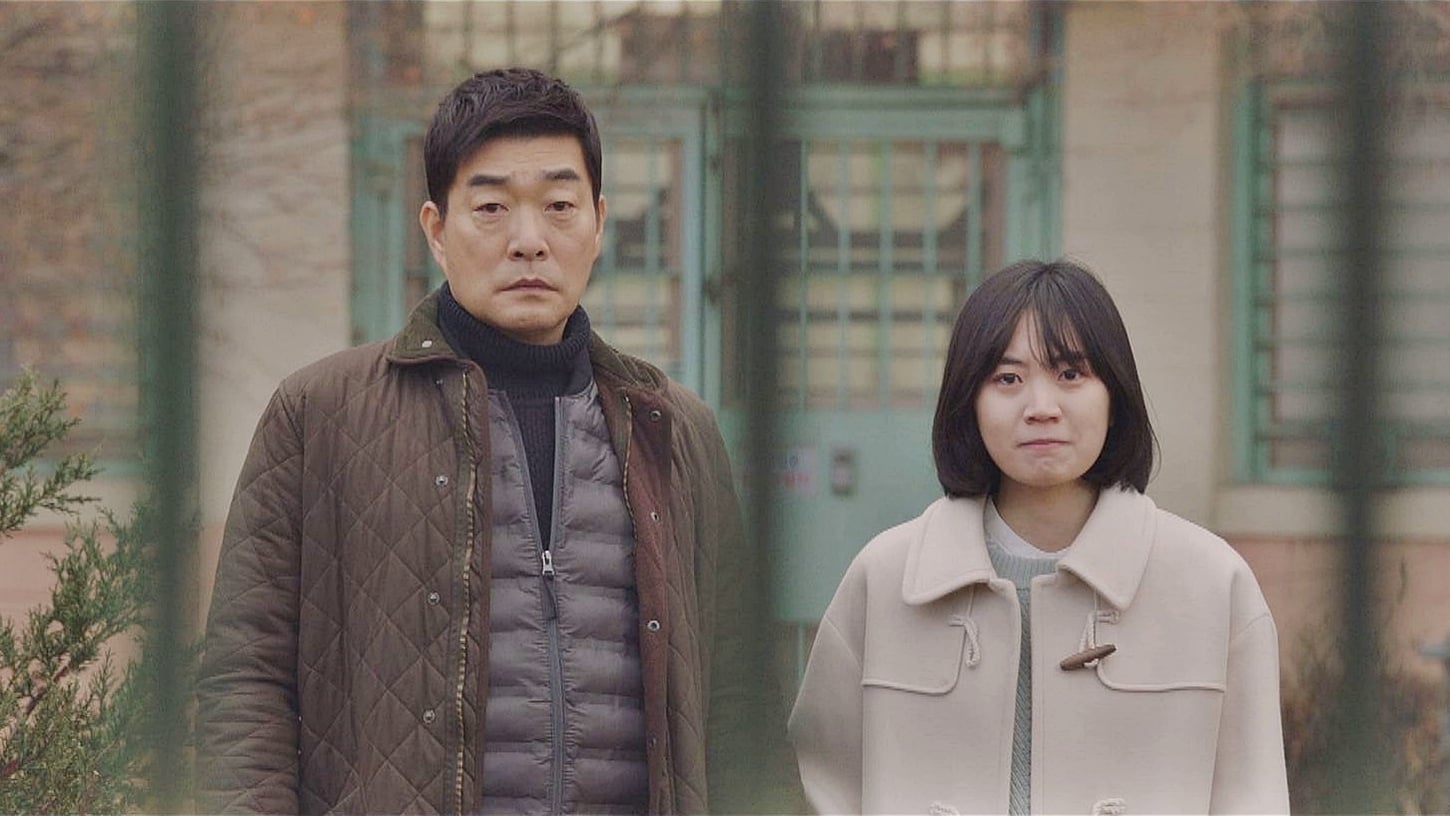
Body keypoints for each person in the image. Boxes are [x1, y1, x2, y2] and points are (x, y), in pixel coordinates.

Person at [197, 67, 793, 815]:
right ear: (436, 230)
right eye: (491, 208)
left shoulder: (675, 429)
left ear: (598, 223)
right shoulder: (320, 414)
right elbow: (245, 683)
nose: (528, 242)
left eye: (559, 206)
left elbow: (738, 707)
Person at [788, 259, 1289, 814]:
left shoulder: (1212, 583)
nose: (1041, 409)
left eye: (1071, 374)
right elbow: (821, 790)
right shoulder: (885, 578)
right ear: (969, 402)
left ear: (1115, 397)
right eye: (1008, 379)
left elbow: (1254, 796)